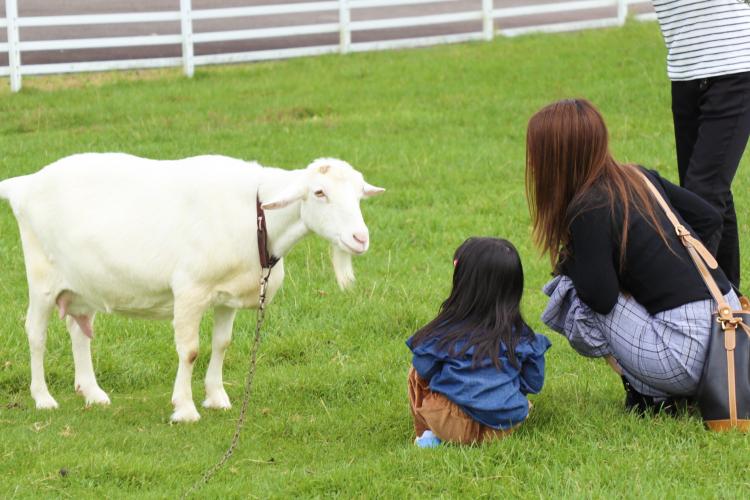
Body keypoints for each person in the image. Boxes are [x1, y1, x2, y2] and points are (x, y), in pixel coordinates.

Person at [527, 99, 741, 414]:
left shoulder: (587, 207)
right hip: (729, 333)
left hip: (685, 355)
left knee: (566, 291)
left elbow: (600, 298)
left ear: (556, 158)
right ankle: (657, 387)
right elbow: (709, 217)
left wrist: (570, 261)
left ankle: (650, 390)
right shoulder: (639, 176)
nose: (531, 163)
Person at [406, 237, 551, 447]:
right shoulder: (522, 337)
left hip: (450, 423)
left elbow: (424, 368)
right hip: (504, 425)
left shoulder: (445, 333)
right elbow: (533, 383)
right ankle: (506, 409)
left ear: (463, 286)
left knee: (415, 373)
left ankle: (427, 434)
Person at [652, 0, 750, 290]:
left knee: (702, 194)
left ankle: (691, 300)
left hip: (733, 66)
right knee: (710, 195)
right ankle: (732, 306)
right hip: (685, 73)